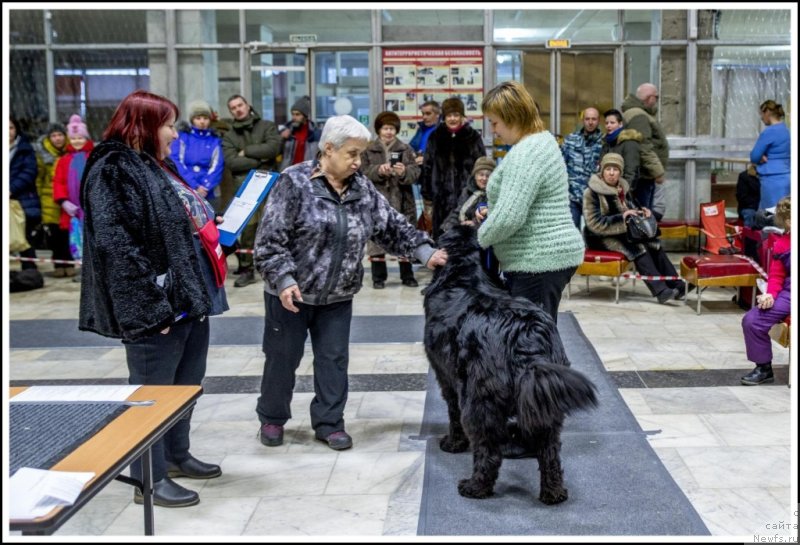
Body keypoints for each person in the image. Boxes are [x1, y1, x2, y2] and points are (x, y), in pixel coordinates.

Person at [253, 115, 447, 451]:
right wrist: (283, 279)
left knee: (334, 360)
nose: (359, 162)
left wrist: (424, 251)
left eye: (361, 154)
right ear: (328, 149)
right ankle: (272, 417)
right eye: (353, 154)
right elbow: (270, 241)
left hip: (338, 296)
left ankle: (329, 423)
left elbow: (391, 226)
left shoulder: (362, 188)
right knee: (282, 359)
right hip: (291, 295)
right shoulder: (294, 181)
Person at [79, 89, 228, 508]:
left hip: (187, 299)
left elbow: (171, 221)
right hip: (155, 306)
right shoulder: (112, 168)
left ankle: (177, 455)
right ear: (143, 126)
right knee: (151, 394)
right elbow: (116, 247)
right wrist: (149, 307)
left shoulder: (155, 166)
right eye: (167, 125)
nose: (174, 135)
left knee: (185, 385)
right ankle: (150, 476)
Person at [476, 81, 584, 323]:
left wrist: (477, 239)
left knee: (531, 344)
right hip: (542, 259)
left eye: (495, 123)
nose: (493, 130)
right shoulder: (540, 142)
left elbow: (509, 217)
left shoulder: (527, 152)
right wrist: (492, 212)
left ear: (512, 117)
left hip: (538, 261)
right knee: (536, 338)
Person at [582, 153, 687, 304]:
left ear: (621, 172)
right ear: (602, 171)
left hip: (622, 233)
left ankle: (677, 285)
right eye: (608, 169)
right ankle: (661, 291)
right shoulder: (591, 192)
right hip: (598, 237)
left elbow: (632, 208)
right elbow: (593, 223)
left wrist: (642, 211)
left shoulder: (622, 189)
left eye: (616, 170)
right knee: (636, 247)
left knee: (653, 244)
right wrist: (622, 218)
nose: (611, 173)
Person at [222, 94, 282, 287]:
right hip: (244, 185)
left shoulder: (266, 126)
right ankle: (247, 269)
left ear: (247, 105)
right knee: (248, 228)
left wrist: (246, 152)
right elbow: (232, 162)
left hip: (270, 182)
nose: (238, 109)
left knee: (273, 224)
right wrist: (260, 158)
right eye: (233, 108)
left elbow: (273, 148)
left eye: (240, 105)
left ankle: (274, 266)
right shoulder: (230, 135)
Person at [361, 111, 421, 288]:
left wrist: (404, 172)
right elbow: (362, 172)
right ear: (378, 130)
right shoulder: (368, 150)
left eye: (392, 128)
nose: (389, 132)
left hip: (402, 200)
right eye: (385, 128)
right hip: (376, 200)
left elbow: (416, 173)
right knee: (376, 238)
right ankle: (378, 277)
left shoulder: (405, 149)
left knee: (404, 237)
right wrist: (378, 170)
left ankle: (407, 276)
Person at [740, 196, 790, 386]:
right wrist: (770, 294)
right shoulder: (782, 244)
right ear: (787, 222)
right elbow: (777, 276)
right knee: (752, 320)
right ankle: (763, 368)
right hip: (789, 293)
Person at [419, 97, 485, 241]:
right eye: (449, 115)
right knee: (443, 238)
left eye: (456, 115)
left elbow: (482, 166)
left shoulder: (473, 137)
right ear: (444, 117)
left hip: (468, 198)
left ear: (462, 116)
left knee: (466, 241)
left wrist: (481, 192)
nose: (453, 119)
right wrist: (427, 194)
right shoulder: (435, 137)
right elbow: (427, 166)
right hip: (441, 199)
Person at [440, 156, 501, 285]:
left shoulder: (495, 195)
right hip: (465, 234)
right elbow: (458, 211)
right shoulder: (467, 191)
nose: (484, 178)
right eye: (481, 174)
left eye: (488, 175)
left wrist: (473, 224)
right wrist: (449, 226)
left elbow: (491, 218)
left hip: (483, 239)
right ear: (474, 175)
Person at [52, 114, 95, 282]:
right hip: (74, 211)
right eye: (74, 138)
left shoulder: (92, 157)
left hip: (91, 209)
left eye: (80, 138)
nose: (77, 141)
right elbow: (58, 181)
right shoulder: (64, 160)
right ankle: (83, 271)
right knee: (77, 240)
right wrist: (64, 201)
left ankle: (95, 271)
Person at [34, 122, 73, 277]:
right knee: (54, 235)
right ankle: (58, 264)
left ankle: (69, 263)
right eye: (53, 136)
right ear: (49, 138)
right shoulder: (43, 155)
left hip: (68, 200)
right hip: (49, 201)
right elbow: (38, 179)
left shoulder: (70, 152)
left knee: (68, 235)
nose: (57, 139)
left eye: (60, 135)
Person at [621, 83, 669, 209]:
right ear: (649, 98)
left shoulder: (639, 113)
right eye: (656, 97)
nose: (657, 101)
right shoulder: (639, 115)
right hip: (642, 176)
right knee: (642, 214)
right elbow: (643, 146)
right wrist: (657, 172)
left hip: (643, 174)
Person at [169, 99, 224, 209]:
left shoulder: (214, 140)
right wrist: (193, 185)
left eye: (205, 118)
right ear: (192, 120)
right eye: (198, 118)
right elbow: (176, 160)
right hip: (186, 187)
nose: (202, 121)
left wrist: (205, 186)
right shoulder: (183, 137)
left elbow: (217, 165)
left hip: (209, 192)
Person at [561, 107, 602, 229]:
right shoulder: (570, 140)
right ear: (583, 120)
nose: (590, 122)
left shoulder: (604, 142)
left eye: (593, 119)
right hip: (572, 195)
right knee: (573, 232)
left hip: (594, 196)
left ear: (598, 121)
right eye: (587, 119)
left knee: (594, 235)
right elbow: (561, 164)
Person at [9, 117, 40, 271]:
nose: (8, 132)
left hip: (21, 200)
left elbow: (29, 172)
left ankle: (30, 271)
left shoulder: (24, 149)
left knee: (23, 236)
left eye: (11, 128)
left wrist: (11, 189)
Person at [750, 100, 790, 211]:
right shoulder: (787, 130)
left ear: (767, 112)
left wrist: (760, 157)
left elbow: (754, 156)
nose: (761, 118)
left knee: (771, 215)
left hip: (771, 179)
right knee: (785, 214)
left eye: (762, 114)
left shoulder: (769, 132)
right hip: (786, 176)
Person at [279, 95, 321, 171]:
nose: (294, 117)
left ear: (305, 116)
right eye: (293, 114)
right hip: (288, 172)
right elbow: (276, 151)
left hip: (307, 172)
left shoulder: (315, 134)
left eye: (297, 114)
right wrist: (281, 138)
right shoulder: (286, 131)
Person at [736, 164, 761, 228]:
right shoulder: (744, 176)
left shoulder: (768, 177)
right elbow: (741, 196)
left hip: (764, 206)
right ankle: (748, 236)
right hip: (749, 207)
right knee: (751, 214)